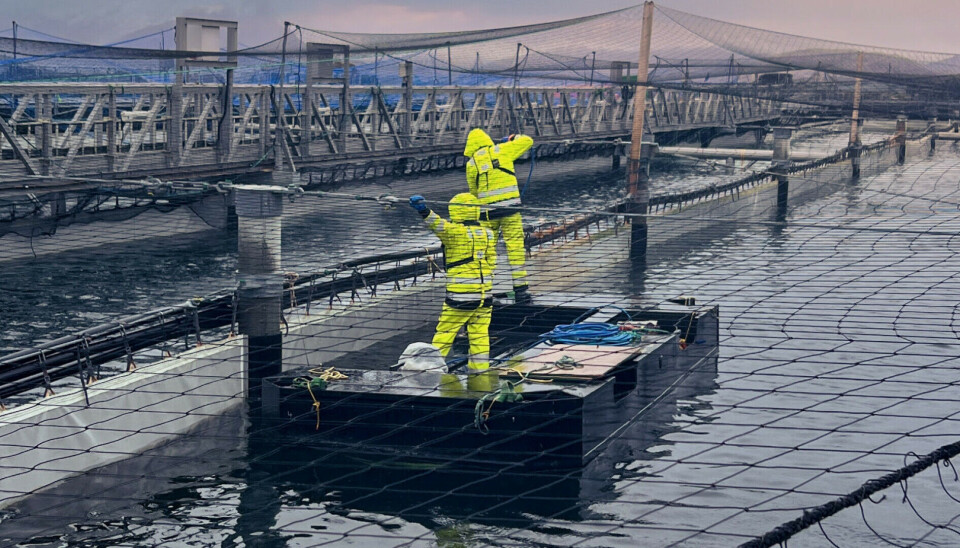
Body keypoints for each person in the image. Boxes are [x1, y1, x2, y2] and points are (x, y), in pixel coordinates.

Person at [409, 192, 497, 372]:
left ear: (456, 211)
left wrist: (423, 210)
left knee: (445, 333)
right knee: (480, 336)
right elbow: (492, 262)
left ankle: (429, 371)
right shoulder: (487, 234)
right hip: (485, 295)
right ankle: (479, 371)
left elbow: (438, 225)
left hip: (461, 296)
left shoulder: (455, 232)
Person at [463, 128, 535, 304]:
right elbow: (528, 141)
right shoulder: (502, 150)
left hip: (487, 213)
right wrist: (512, 137)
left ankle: (486, 291)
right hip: (510, 210)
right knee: (515, 248)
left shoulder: (471, 164)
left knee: (487, 250)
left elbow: (473, 192)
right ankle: (521, 290)